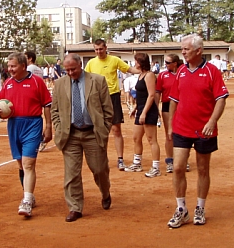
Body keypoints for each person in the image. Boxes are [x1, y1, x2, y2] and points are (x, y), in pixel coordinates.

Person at [167, 34, 229, 228]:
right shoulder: (181, 71)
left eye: (186, 49)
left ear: (198, 50)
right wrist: (170, 125)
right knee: (177, 167)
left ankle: (200, 207)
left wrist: (212, 121)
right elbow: (174, 100)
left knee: (203, 169)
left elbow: (221, 98)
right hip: (182, 128)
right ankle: (181, 209)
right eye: (182, 49)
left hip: (205, 130)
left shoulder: (212, 72)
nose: (183, 52)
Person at [51, 53, 113, 222]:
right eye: (67, 70)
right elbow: (54, 110)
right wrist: (58, 127)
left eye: (73, 69)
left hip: (93, 133)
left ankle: (105, 193)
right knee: (71, 174)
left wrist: (104, 129)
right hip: (69, 135)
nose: (70, 73)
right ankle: (75, 207)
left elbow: (108, 109)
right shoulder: (59, 84)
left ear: (81, 65)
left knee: (99, 170)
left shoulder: (98, 81)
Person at [0, 52, 52, 218]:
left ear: (23, 66)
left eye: (13, 66)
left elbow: (47, 104)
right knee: (21, 165)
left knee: (28, 163)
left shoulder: (37, 82)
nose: (10, 69)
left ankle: (26, 200)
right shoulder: (8, 83)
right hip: (14, 125)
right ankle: (28, 194)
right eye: (9, 66)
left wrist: (49, 126)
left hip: (32, 124)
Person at [85, 39, 140, 170]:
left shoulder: (114, 60)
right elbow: (84, 77)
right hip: (96, 98)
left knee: (116, 130)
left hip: (113, 96)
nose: (99, 52)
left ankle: (120, 159)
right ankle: (100, 159)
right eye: (96, 49)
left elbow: (129, 69)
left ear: (106, 48)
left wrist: (144, 70)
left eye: (101, 49)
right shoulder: (91, 63)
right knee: (98, 130)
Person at [125, 53, 161, 178]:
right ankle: (137, 163)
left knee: (152, 140)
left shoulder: (149, 75)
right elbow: (141, 95)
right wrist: (135, 108)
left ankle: (156, 167)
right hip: (141, 109)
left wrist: (144, 112)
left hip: (148, 111)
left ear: (140, 62)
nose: (134, 64)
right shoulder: (141, 75)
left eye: (135, 61)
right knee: (136, 137)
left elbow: (151, 95)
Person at [155, 54, 183, 173]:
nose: (165, 64)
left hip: (182, 105)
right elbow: (157, 92)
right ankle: (170, 160)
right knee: (169, 134)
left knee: (182, 133)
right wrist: (156, 108)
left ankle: (182, 160)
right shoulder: (163, 75)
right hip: (167, 105)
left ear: (175, 63)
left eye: (167, 62)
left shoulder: (183, 73)